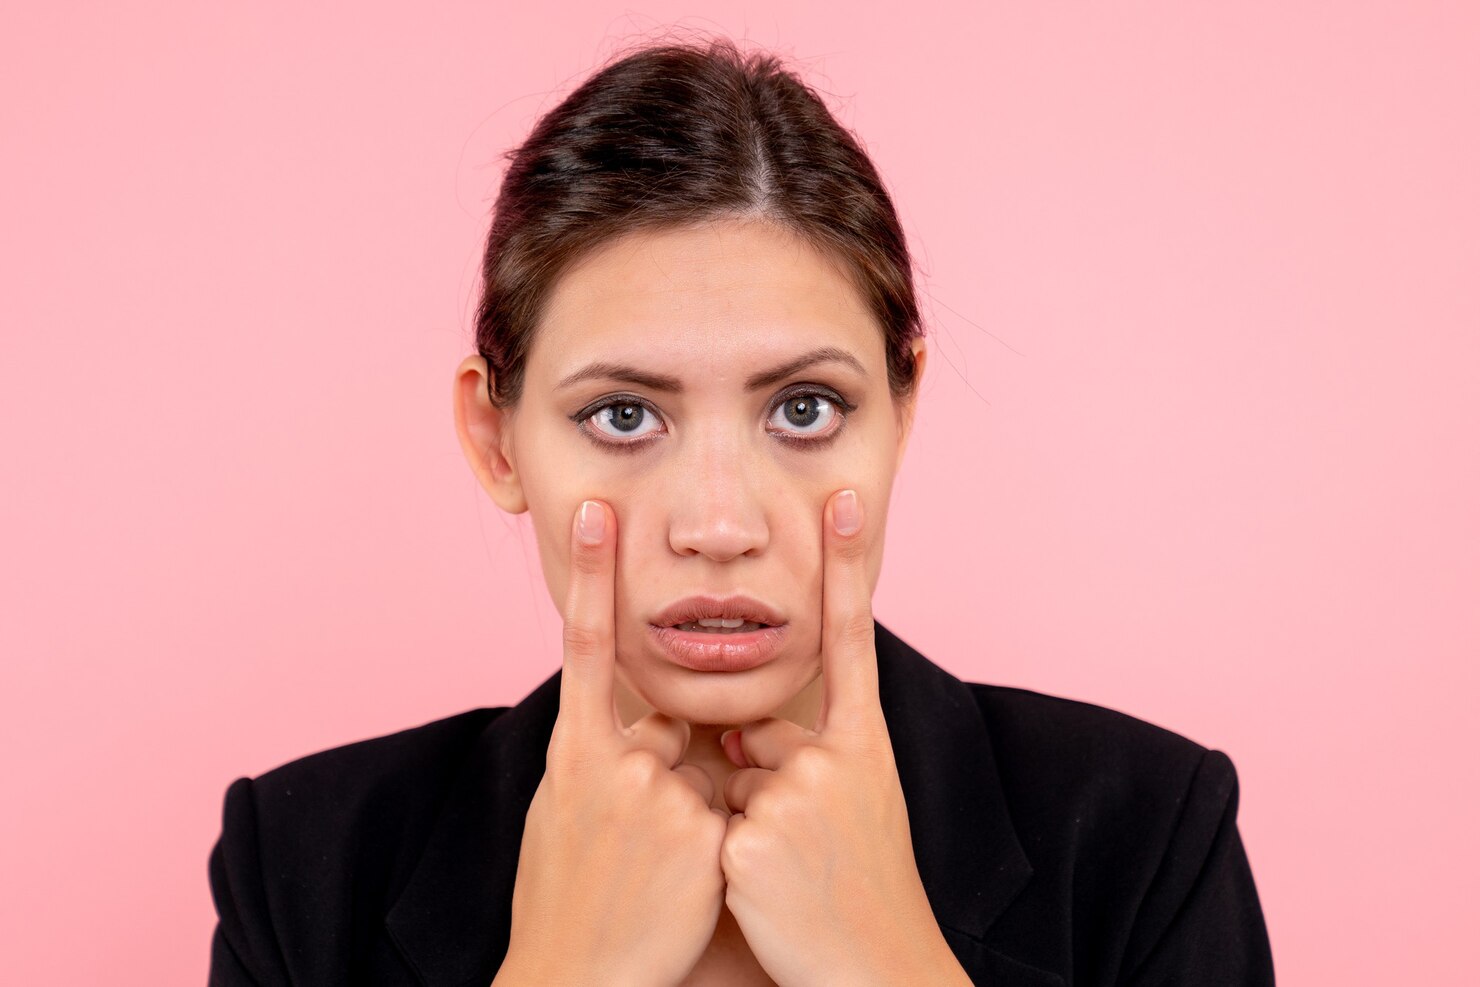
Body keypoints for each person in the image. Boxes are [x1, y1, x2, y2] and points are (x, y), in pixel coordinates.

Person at [206, 37, 1275, 986]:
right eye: (623, 415)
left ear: (900, 414)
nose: (718, 527)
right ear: (496, 440)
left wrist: (888, 966)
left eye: (804, 409)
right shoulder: (307, 865)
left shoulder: (1144, 833)